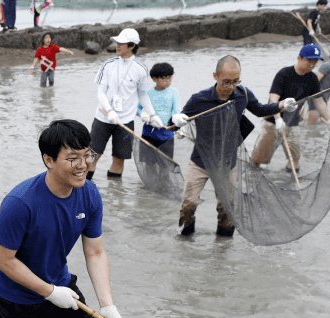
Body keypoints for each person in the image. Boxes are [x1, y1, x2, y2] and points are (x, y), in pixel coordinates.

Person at [0, 119, 125, 318]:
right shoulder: (21, 202)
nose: (83, 165)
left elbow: (96, 252)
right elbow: (3, 260)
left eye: (87, 155)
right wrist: (48, 292)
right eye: (72, 158)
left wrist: (107, 305)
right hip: (17, 298)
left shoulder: (89, 194)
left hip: (61, 286)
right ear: (49, 160)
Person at [170, 55, 297, 236]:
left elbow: (260, 110)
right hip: (200, 161)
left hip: (228, 162)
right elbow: (175, 124)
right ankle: (186, 239)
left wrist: (282, 104)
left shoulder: (243, 94)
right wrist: (175, 120)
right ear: (215, 76)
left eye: (235, 81)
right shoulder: (200, 99)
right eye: (226, 82)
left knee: (227, 207)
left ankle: (223, 245)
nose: (230, 87)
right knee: (189, 204)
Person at [87, 28, 162, 180]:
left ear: (132, 45)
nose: (117, 45)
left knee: (119, 159)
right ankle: (82, 188)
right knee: (92, 157)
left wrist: (153, 115)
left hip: (126, 121)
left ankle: (114, 192)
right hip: (103, 117)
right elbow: (100, 93)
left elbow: (142, 95)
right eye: (117, 42)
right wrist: (110, 111)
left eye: (121, 43)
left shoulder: (141, 69)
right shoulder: (107, 65)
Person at [251, 44, 330, 172]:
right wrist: (278, 120)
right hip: (272, 122)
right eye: (309, 61)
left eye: (315, 62)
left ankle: (288, 179)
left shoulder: (312, 79)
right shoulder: (284, 74)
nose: (312, 65)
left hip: (293, 123)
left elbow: (319, 102)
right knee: (258, 160)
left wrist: (328, 119)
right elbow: (273, 99)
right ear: (299, 58)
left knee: (295, 160)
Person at [137, 62, 180, 158]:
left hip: (166, 135)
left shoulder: (174, 93)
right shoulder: (148, 93)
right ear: (155, 78)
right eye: (165, 78)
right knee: (147, 164)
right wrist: (142, 115)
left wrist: (180, 126)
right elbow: (136, 109)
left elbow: (177, 113)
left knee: (166, 164)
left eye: (170, 78)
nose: (168, 81)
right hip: (148, 134)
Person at [307, 59, 330, 124]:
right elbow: (316, 79)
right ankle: (310, 129)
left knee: (322, 116)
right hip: (318, 94)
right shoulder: (326, 65)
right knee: (314, 113)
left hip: (325, 94)